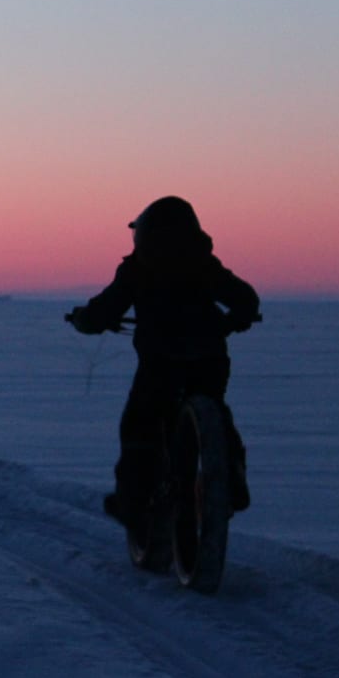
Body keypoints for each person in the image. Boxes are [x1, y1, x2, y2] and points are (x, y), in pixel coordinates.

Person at [65, 196, 261, 532]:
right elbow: (244, 298)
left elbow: (104, 310)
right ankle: (232, 474)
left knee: (139, 422)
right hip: (208, 357)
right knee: (215, 406)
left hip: (160, 361)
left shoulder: (138, 268)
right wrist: (237, 319)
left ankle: (134, 501)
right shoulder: (202, 264)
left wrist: (83, 320)